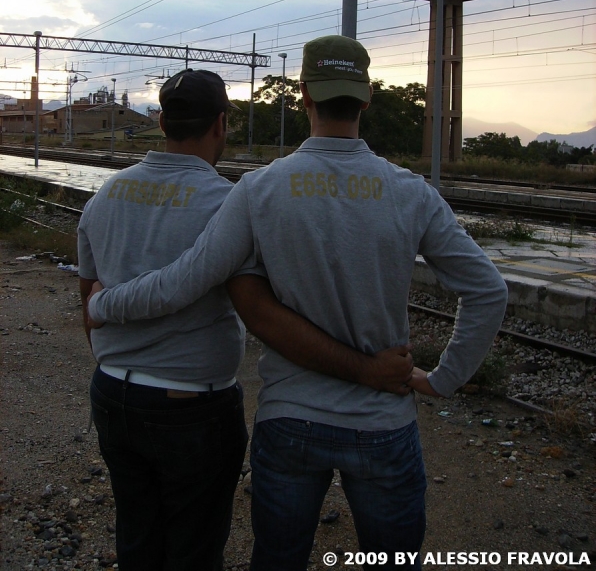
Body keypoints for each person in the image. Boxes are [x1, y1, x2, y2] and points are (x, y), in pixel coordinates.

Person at [88, 37, 508, 571]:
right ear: (367, 98)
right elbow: (488, 291)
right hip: (383, 423)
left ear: (303, 95)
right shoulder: (410, 192)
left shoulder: (259, 189)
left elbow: (187, 280)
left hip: (291, 421)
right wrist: (442, 378)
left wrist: (105, 305)